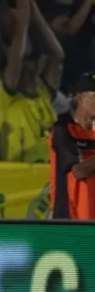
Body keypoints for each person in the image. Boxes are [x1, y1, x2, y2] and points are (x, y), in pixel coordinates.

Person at [50, 73, 95, 219]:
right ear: (79, 97)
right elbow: (79, 171)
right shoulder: (62, 129)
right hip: (71, 221)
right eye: (94, 96)